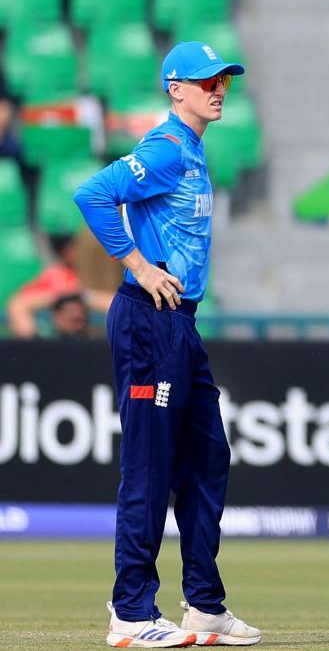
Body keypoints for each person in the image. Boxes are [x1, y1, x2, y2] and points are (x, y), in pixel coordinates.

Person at [73, 41, 261, 648]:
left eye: (224, 79)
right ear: (175, 87)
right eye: (206, 80)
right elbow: (93, 194)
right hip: (150, 317)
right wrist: (138, 264)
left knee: (209, 457)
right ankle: (130, 611)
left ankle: (204, 606)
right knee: (149, 468)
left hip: (180, 323)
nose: (219, 88)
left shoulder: (194, 151)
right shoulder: (166, 147)